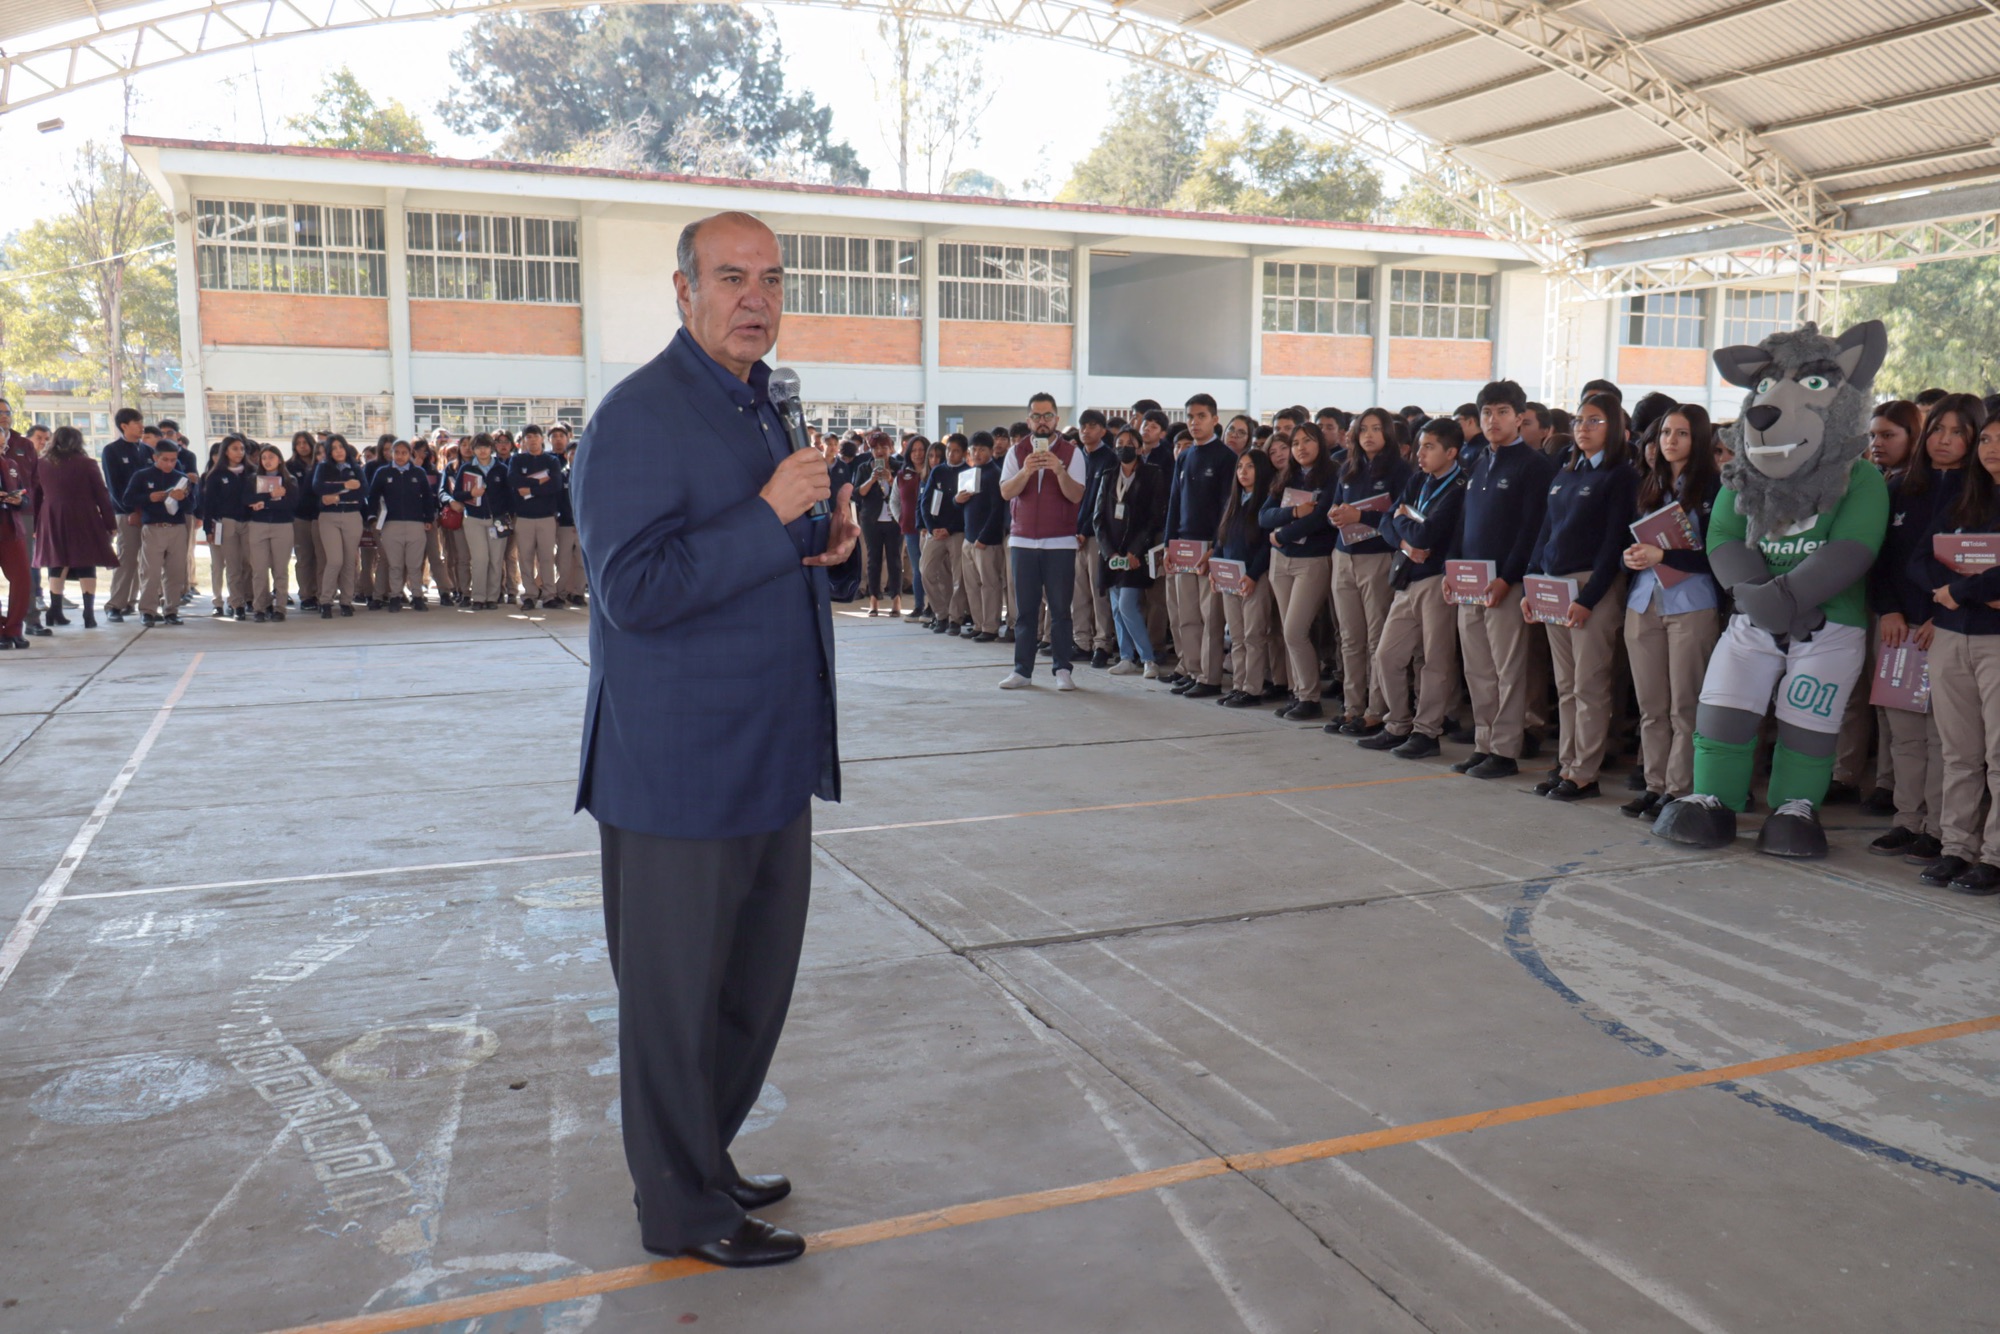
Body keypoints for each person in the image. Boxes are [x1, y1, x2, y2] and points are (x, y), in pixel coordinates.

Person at [571, 210, 859, 1269]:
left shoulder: (763, 404)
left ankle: (703, 1157)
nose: (756, 299)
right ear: (683, 289)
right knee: (675, 1005)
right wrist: (770, 510)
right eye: (732, 277)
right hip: (679, 769)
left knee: (747, 992)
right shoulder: (639, 416)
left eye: (771, 279)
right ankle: (681, 1208)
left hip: (769, 751)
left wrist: (824, 540)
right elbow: (635, 590)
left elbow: (761, 553)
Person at [1867, 398, 1972, 861]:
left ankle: (1937, 828)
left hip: (1947, 626)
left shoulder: (1978, 492)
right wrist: (1889, 610)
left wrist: (1939, 617)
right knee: (1904, 733)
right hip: (1897, 628)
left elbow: (1971, 567)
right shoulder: (1900, 487)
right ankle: (1906, 820)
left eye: (1957, 431)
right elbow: (1879, 557)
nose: (1943, 440)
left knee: (1942, 736)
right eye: (1937, 429)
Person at [1522, 392, 1639, 802]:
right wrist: (1532, 581)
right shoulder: (1566, 472)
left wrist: (1589, 598)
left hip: (1592, 587)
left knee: (1590, 685)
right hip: (1554, 586)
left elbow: (1614, 544)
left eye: (1594, 421)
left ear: (1615, 428)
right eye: (1578, 420)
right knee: (1566, 685)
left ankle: (1585, 773)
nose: (1583, 428)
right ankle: (1566, 764)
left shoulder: (1620, 475)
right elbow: (1546, 531)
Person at [1448, 380, 1559, 780]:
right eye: (1487, 413)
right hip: (1470, 583)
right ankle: (1484, 743)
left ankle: (1505, 750)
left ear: (1519, 417)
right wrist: (1452, 569)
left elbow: (1532, 530)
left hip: (1505, 585)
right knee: (1478, 669)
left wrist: (1508, 578)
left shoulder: (1534, 465)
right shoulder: (1479, 461)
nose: (1493, 420)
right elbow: (1463, 523)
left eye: (1502, 412)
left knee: (1508, 671)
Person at [1620, 404, 1723, 819]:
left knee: (1684, 704)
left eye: (1681, 433)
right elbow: (1630, 540)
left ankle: (1679, 788)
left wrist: (1664, 555)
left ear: (1699, 439)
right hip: (1643, 601)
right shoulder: (1651, 485)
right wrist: (1631, 557)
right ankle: (1654, 783)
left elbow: (1718, 555)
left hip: (1692, 604)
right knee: (1651, 705)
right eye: (1665, 433)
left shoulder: (1716, 488)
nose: (1670, 441)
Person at [1913, 407, 2000, 893]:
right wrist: (1956, 590)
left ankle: (1994, 857)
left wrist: (1960, 589)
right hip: (1950, 636)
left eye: (1999, 440)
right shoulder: (1966, 498)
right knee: (1960, 753)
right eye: (1985, 439)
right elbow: (1920, 559)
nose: (1991, 449)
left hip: (1995, 642)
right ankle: (1956, 849)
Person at [1360, 418, 1468, 759]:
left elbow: (1428, 534)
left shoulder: (1458, 488)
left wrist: (1404, 523)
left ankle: (1427, 732)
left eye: (1429, 447)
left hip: (1437, 580)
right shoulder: (1418, 479)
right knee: (1386, 654)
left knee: (1435, 660)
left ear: (1451, 452)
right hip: (1408, 576)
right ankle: (1397, 724)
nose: (1420, 454)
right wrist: (1406, 543)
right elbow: (1386, 523)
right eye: (1420, 446)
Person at [1326, 406, 1412, 735]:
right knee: (1350, 637)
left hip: (1377, 557)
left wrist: (1361, 517)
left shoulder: (1399, 470)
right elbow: (1335, 505)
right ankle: (1352, 707)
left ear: (1387, 432)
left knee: (1377, 638)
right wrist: (1335, 514)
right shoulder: (1348, 467)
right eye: (1363, 429)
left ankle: (1376, 710)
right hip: (1343, 554)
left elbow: (1400, 518)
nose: (1369, 435)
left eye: (1376, 429)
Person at [996, 393, 1088, 691]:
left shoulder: (1072, 453)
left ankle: (1062, 669)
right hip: (1023, 541)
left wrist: (1058, 469)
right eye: (1036, 416)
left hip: (1060, 542)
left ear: (1057, 419)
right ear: (1028, 421)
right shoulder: (1017, 452)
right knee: (1025, 611)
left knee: (1060, 610)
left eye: (1048, 416)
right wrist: (1027, 470)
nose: (1042, 422)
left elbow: (1076, 495)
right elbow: (1006, 492)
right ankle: (1022, 670)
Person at [1260, 422, 1339, 721]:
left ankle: (1310, 698)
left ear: (1320, 443)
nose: (1300, 448)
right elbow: (1264, 516)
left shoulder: (1332, 474)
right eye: (1295, 443)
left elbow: (1320, 518)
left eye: (1307, 441)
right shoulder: (1287, 476)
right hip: (1281, 561)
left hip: (1312, 561)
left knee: (1295, 630)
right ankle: (1298, 693)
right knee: (1288, 631)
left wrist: (1283, 534)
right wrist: (1292, 512)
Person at [1163, 394, 1235, 699]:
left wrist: (1216, 548)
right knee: (1187, 615)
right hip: (1183, 545)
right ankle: (1192, 670)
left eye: (1201, 416)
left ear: (1215, 420)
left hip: (1209, 547)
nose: (1195, 422)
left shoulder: (1226, 457)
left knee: (1210, 618)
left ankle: (1210, 676)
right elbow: (1174, 502)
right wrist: (1168, 544)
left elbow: (1227, 508)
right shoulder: (1184, 456)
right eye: (1190, 416)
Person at [31, 426, 119, 632]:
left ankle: (55, 611)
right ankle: (89, 614)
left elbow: (36, 496)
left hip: (51, 516)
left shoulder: (42, 463)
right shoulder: (87, 464)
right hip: (83, 515)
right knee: (86, 561)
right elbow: (102, 495)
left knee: (56, 562)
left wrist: (35, 525)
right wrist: (110, 523)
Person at [1096, 427, 1167, 677]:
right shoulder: (1108, 475)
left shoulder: (1152, 474)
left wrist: (1135, 550)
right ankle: (1126, 657)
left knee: (1128, 605)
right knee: (1116, 606)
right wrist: (1109, 553)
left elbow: (1154, 517)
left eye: (1129, 443)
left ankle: (1148, 659)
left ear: (1138, 448)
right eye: (1120, 443)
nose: (1124, 447)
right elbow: (1098, 518)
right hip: (1112, 553)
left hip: (1137, 554)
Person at [1211, 447, 1277, 705]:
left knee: (1253, 636)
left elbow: (1266, 546)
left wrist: (1252, 574)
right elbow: (1221, 540)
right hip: (1230, 577)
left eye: (1250, 467)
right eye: (1240, 467)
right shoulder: (1233, 501)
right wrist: (1216, 570)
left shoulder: (1266, 501)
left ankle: (1253, 689)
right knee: (1237, 637)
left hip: (1254, 577)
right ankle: (1238, 685)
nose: (1243, 472)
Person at [123, 439, 194, 626]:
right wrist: (149, 497)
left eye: (173, 460)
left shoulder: (181, 478)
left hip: (177, 528)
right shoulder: (142, 475)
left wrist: (182, 498)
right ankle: (148, 611)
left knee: (175, 572)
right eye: (165, 460)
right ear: (155, 458)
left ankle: (171, 610)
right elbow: (127, 499)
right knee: (150, 572)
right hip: (153, 527)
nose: (170, 464)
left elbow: (192, 506)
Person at [367, 438, 438, 610]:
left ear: (410, 454)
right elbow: (373, 496)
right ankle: (395, 597)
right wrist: (372, 517)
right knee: (395, 564)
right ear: (391, 454)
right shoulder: (383, 473)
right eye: (397, 452)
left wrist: (428, 519)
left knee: (414, 564)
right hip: (391, 524)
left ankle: (417, 596)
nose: (400, 456)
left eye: (404, 453)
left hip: (415, 523)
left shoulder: (418, 472)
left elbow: (427, 497)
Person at [1072, 410, 1118, 667]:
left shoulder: (1109, 459)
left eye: (1092, 426)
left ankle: (1102, 643)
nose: (1086, 431)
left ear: (1102, 430)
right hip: (1073, 536)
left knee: (1098, 592)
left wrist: (1084, 530)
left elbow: (1104, 504)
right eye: (1083, 426)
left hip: (1096, 537)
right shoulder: (1076, 458)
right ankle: (1081, 641)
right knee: (1077, 592)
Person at [100, 408, 151, 621]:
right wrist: (131, 510)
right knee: (127, 559)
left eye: (141, 422)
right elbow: (114, 487)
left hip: (150, 514)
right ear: (124, 426)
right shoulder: (112, 451)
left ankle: (134, 602)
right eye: (136, 423)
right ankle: (115, 605)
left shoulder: (148, 451)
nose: (141, 426)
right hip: (126, 514)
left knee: (147, 561)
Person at [450, 434, 511, 609]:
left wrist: (506, 515)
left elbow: (509, 495)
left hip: (497, 520)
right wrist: (471, 494)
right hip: (474, 519)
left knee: (496, 560)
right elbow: (457, 494)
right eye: (478, 447)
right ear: (473, 449)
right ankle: (478, 597)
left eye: (486, 447)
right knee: (479, 559)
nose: (482, 451)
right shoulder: (467, 468)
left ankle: (492, 597)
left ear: (492, 448)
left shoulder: (501, 468)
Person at [199, 434, 255, 620]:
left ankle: (250, 599)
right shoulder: (216, 475)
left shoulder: (252, 472)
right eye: (235, 449)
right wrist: (208, 529)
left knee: (249, 563)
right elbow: (208, 504)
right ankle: (236, 604)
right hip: (226, 523)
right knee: (232, 566)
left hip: (249, 522)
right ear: (226, 452)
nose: (239, 452)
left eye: (242, 449)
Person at [241, 443, 298, 621]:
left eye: (271, 457)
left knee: (280, 569)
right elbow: (247, 499)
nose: (267, 461)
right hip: (258, 526)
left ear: (279, 460)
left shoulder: (290, 480)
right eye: (264, 458)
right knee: (259, 569)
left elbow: (291, 504)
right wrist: (270, 496)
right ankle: (260, 607)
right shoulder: (253, 479)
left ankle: (280, 607)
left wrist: (264, 504)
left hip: (282, 526)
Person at [508, 426, 563, 608]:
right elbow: (513, 480)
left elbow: (555, 485)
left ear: (542, 439)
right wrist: (540, 481)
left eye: (536, 436)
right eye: (528, 437)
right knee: (525, 558)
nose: (532, 440)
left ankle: (549, 595)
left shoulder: (551, 460)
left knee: (547, 558)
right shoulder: (517, 460)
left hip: (546, 517)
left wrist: (531, 489)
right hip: (524, 517)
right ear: (523, 440)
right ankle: (530, 595)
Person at [957, 433, 1005, 640]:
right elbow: (963, 505)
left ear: (991, 451)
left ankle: (990, 627)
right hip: (968, 537)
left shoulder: (995, 474)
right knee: (972, 585)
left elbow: (997, 510)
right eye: (974, 449)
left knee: (990, 585)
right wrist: (956, 499)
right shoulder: (970, 473)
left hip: (987, 541)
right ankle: (978, 623)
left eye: (982, 450)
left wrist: (984, 537)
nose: (977, 453)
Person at [313, 435, 367, 617]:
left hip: (352, 516)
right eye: (334, 448)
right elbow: (319, 488)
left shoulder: (355, 467)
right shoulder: (323, 467)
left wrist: (335, 496)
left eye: (341, 447)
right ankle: (326, 601)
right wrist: (345, 485)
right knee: (335, 560)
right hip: (329, 518)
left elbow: (362, 490)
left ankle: (346, 601)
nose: (338, 451)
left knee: (349, 561)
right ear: (329, 451)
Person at [921, 436, 968, 634]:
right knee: (926, 571)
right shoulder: (938, 471)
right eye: (949, 450)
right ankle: (940, 614)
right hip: (936, 531)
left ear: (964, 453)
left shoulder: (968, 473)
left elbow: (967, 509)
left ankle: (955, 618)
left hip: (957, 532)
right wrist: (932, 528)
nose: (951, 454)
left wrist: (950, 528)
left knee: (959, 577)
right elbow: (925, 502)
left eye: (956, 451)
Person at [853, 432, 904, 616]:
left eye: (884, 447)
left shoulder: (900, 467)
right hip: (871, 520)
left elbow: (905, 492)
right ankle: (874, 600)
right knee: (873, 560)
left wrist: (891, 479)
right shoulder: (864, 468)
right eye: (875, 448)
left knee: (894, 560)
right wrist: (872, 479)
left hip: (894, 519)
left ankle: (896, 600)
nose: (879, 451)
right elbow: (857, 493)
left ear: (890, 448)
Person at [286, 432, 323, 610]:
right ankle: (307, 595)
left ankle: (322, 594)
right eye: (298, 443)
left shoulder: (321, 465)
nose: (302, 446)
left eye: (305, 442)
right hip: (300, 518)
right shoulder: (289, 466)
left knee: (321, 558)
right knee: (304, 557)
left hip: (321, 517)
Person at [895, 438, 929, 620]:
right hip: (911, 529)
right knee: (917, 569)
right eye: (914, 450)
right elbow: (894, 500)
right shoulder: (902, 475)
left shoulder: (934, 472)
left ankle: (934, 607)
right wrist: (901, 519)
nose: (918, 453)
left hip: (931, 529)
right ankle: (919, 606)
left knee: (932, 569)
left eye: (921, 449)